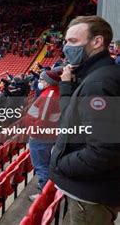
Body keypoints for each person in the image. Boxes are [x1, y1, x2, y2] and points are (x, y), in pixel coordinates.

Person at [49, 16, 120, 225]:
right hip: (92, 193)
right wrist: (67, 86)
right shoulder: (97, 76)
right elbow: (72, 119)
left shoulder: (99, 83)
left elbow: (105, 151)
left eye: (72, 41)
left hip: (90, 199)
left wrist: (60, 163)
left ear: (97, 41)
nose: (66, 48)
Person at [24, 67, 62, 202]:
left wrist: (33, 133)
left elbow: (43, 119)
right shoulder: (54, 93)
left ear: (48, 82)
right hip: (48, 135)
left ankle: (45, 198)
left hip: (40, 137)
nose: (39, 81)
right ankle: (47, 192)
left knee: (41, 166)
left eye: (41, 79)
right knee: (45, 165)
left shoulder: (49, 96)